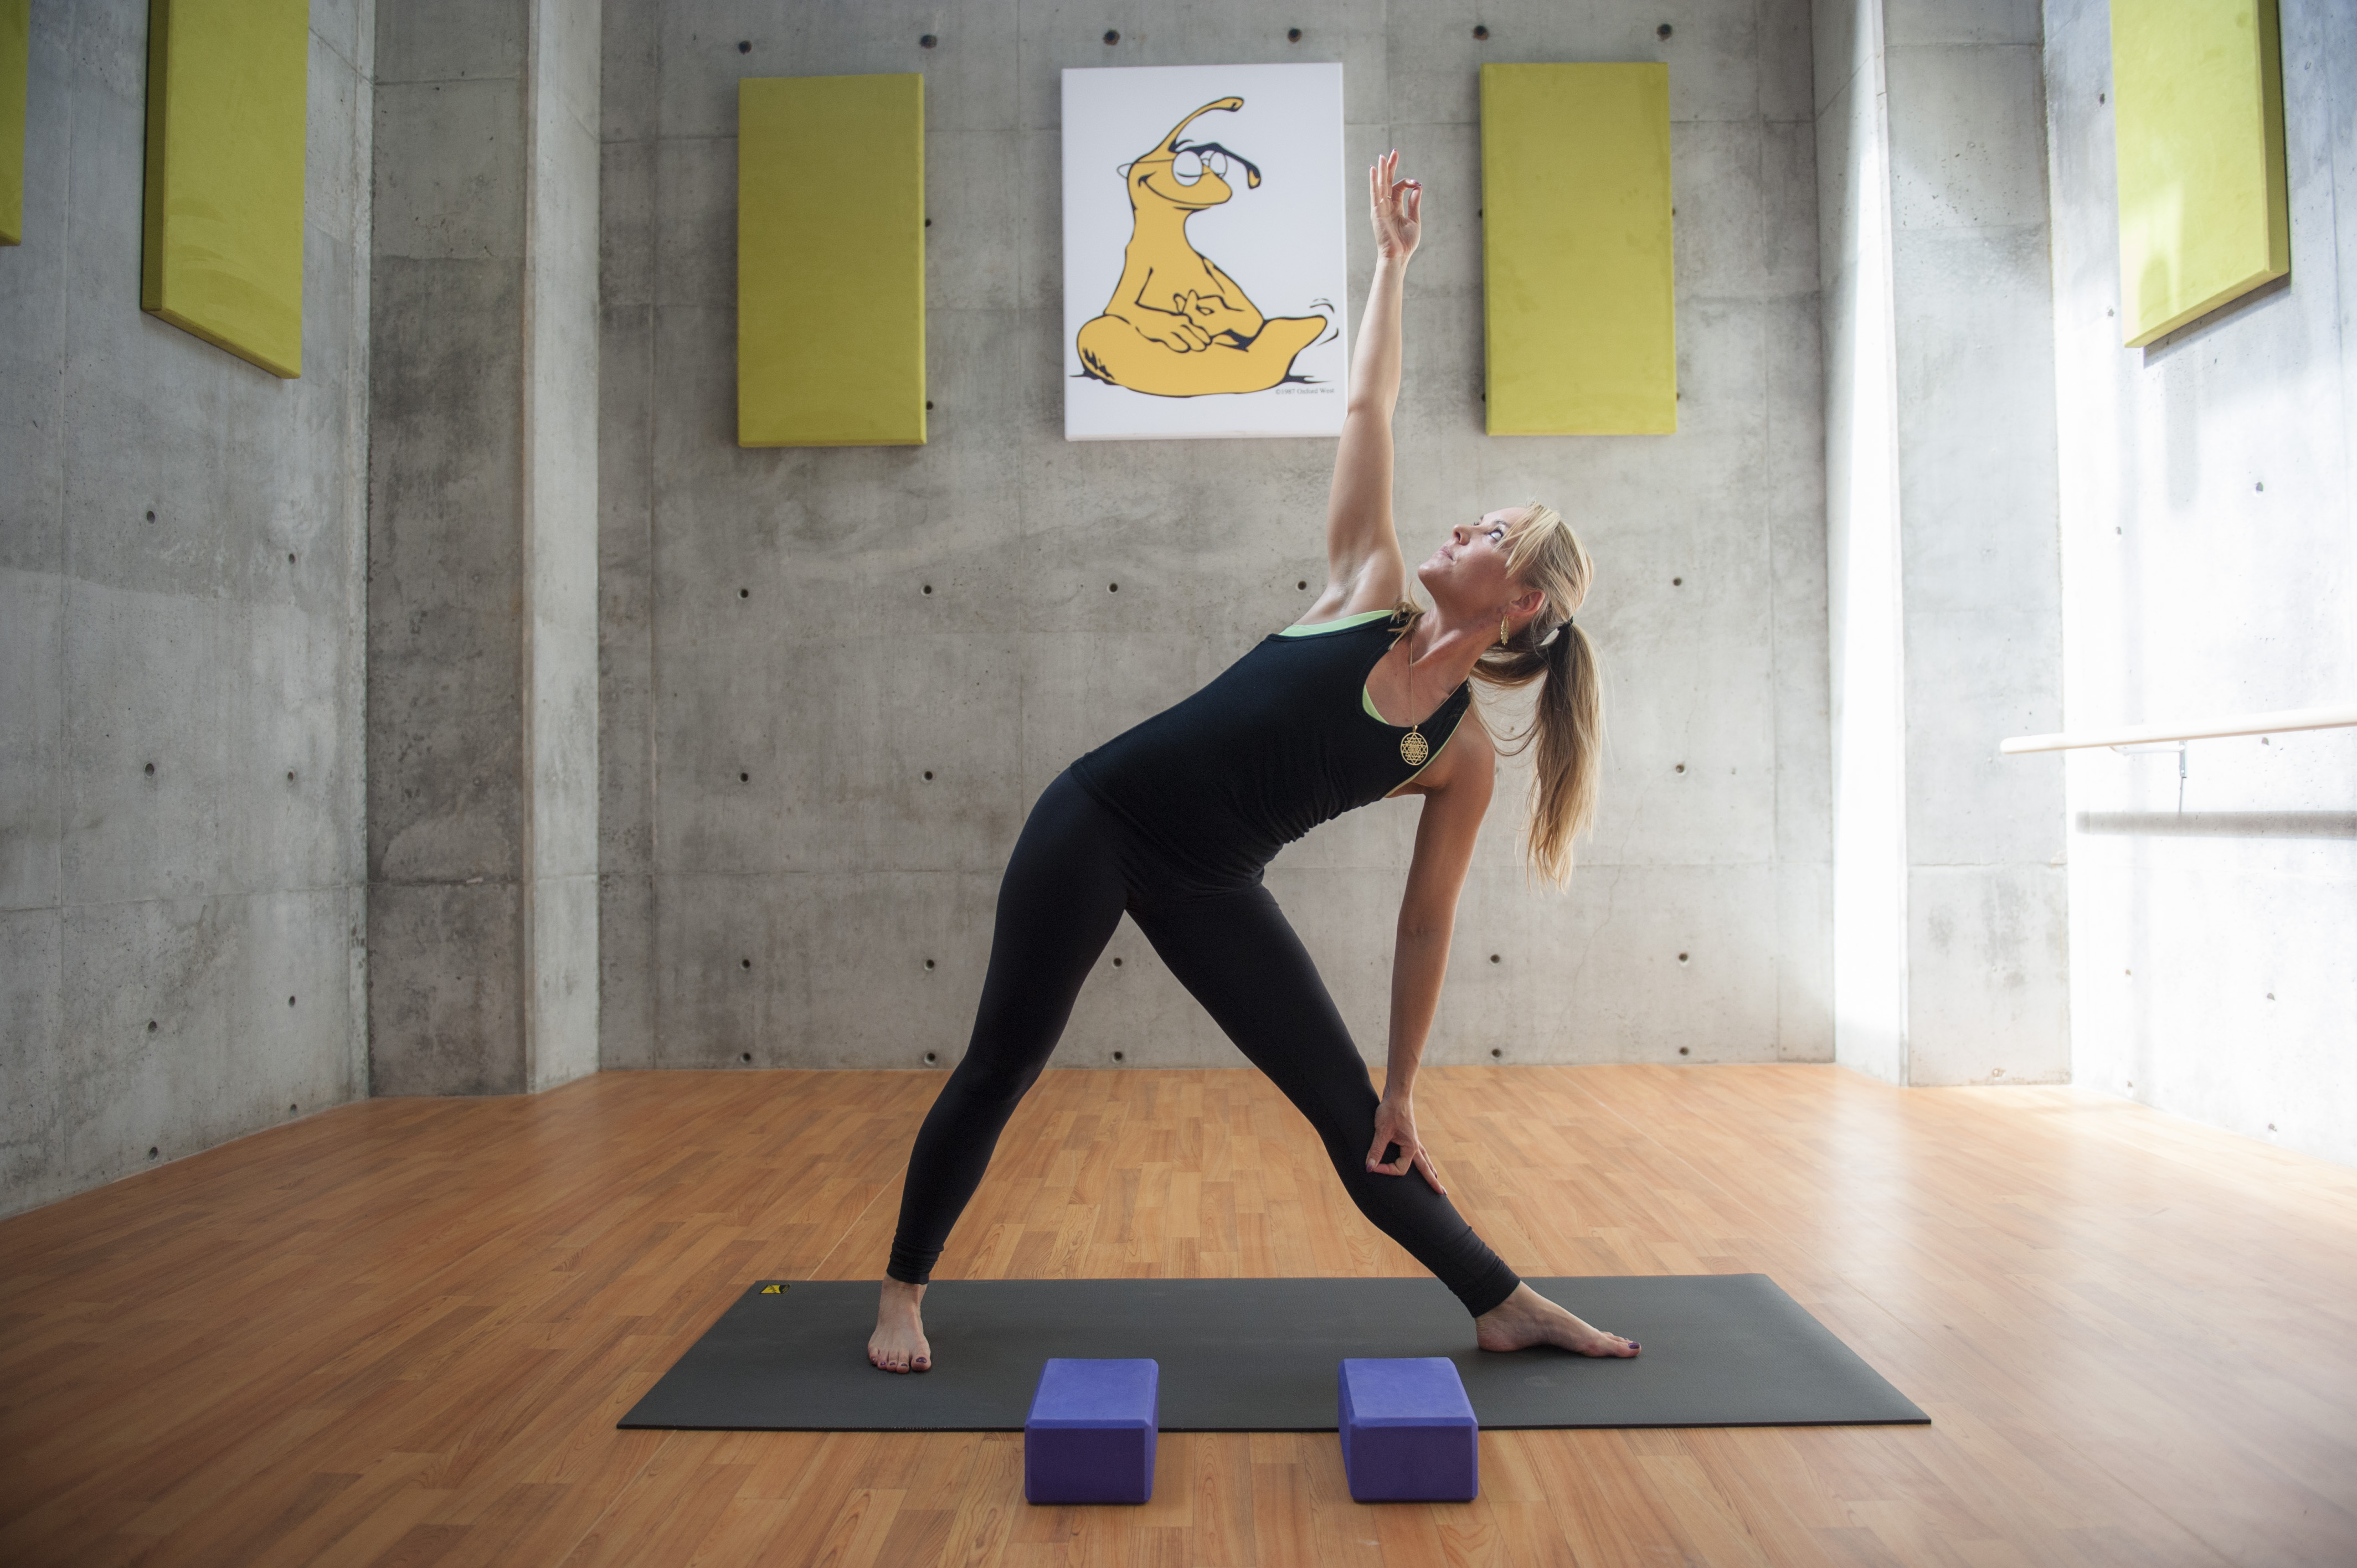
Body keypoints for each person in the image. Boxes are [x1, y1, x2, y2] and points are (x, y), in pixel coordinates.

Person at [868, 152, 1636, 1373]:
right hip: (1099, 815)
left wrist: (1402, 1084)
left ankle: (1500, 1300)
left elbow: (1426, 929)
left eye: (1487, 532)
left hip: (1213, 884)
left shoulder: (1458, 758)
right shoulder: (1363, 591)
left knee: (1357, 1125)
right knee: (1006, 1058)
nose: (1459, 525)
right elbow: (1365, 409)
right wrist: (1389, 266)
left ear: (1525, 598)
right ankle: (902, 1291)